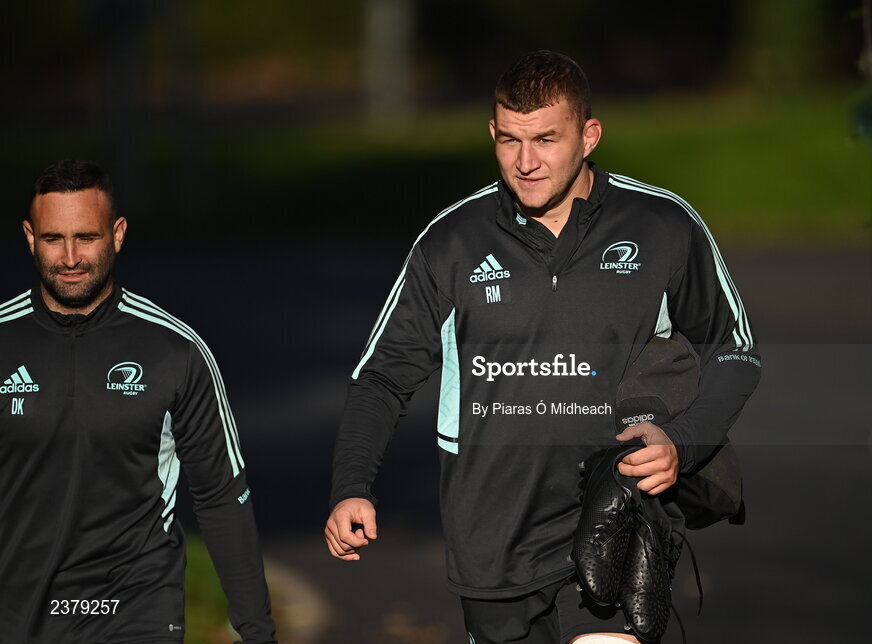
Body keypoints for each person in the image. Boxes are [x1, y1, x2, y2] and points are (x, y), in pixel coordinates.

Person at [325, 50, 761, 643]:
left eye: (546, 140)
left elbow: (734, 352)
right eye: (509, 141)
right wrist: (351, 487)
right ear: (492, 134)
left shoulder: (663, 227)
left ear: (589, 136)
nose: (525, 163)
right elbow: (382, 377)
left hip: (614, 517)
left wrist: (681, 445)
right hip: (491, 540)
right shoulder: (450, 242)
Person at [0, 160, 277, 643]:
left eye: (86, 237)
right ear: (29, 236)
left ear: (118, 234)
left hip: (137, 614)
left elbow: (222, 496)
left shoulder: (176, 351)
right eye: (52, 239)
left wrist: (258, 633)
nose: (69, 257)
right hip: (20, 617)